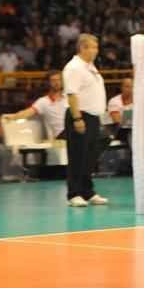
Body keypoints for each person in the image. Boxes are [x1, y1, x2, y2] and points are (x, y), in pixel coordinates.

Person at [62, 34, 108, 207]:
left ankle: (87, 192)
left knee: (89, 157)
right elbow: (72, 94)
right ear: (82, 48)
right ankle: (73, 194)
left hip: (93, 117)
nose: (96, 51)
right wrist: (77, 118)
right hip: (80, 116)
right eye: (93, 47)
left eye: (96, 47)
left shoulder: (90, 67)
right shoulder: (74, 67)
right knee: (77, 156)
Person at [3, 70, 67, 139]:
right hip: (60, 136)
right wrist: (13, 117)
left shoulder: (69, 98)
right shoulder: (43, 101)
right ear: (48, 83)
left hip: (71, 131)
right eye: (53, 80)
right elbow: (27, 112)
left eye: (59, 80)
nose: (56, 83)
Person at [108, 77, 133, 145]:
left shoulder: (139, 100)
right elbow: (117, 121)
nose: (130, 89)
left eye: (132, 87)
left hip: (137, 128)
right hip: (120, 131)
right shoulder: (114, 101)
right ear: (121, 88)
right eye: (127, 87)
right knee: (132, 133)